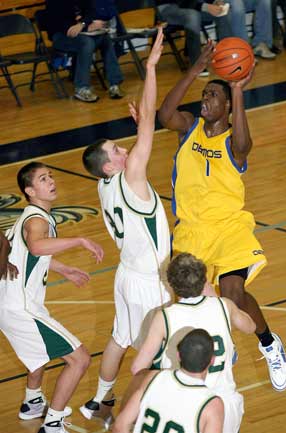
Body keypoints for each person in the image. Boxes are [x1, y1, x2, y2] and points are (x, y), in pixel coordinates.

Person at [157, 41, 286, 392]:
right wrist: (194, 69)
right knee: (192, 303)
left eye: (212, 96)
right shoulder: (188, 127)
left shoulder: (234, 142)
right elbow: (164, 115)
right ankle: (220, 345)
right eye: (204, 93)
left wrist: (237, 88)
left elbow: (245, 146)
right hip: (190, 232)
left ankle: (267, 342)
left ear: (227, 106)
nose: (205, 99)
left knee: (232, 292)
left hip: (230, 228)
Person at [80, 28, 171, 429]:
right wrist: (150, 68)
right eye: (117, 151)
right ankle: (141, 415)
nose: (124, 150)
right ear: (111, 166)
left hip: (125, 274)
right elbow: (151, 122)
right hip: (150, 280)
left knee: (119, 339)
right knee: (156, 353)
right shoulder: (130, 175)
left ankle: (99, 400)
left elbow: (141, 135)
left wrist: (138, 135)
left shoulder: (103, 185)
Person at [0, 162, 104, 433]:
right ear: (30, 190)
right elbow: (36, 246)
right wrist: (80, 240)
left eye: (51, 176)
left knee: (39, 353)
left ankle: (32, 403)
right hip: (20, 307)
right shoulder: (36, 220)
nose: (51, 181)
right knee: (80, 359)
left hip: (10, 304)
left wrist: (63, 268)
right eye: (43, 179)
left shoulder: (28, 215)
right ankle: (53, 423)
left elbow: (27, 254)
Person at [132, 253, 256, 433]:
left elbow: (137, 368)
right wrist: (215, 297)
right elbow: (250, 327)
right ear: (205, 280)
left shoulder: (165, 317)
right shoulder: (224, 305)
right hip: (224, 403)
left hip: (185, 404)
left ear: (171, 284)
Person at [114, 329, 224, 433]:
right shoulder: (212, 406)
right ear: (212, 360)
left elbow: (120, 426)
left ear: (178, 355)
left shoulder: (153, 377)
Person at [45, 0, 124, 102]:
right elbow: (56, 22)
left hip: (81, 32)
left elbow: (91, 11)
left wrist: (83, 24)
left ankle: (114, 84)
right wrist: (80, 26)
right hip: (61, 35)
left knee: (105, 39)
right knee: (87, 43)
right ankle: (81, 88)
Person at [156, 0, 233, 76]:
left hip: (193, 5)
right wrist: (205, 6)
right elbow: (182, 2)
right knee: (193, 16)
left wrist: (214, 1)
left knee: (223, 12)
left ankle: (227, 57)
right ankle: (197, 64)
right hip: (169, 6)